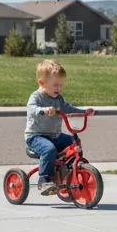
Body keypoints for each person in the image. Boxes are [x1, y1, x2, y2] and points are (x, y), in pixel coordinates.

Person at [25, 59, 94, 195]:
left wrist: (84, 112)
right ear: (42, 83)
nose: (59, 88)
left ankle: (70, 171)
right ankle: (44, 180)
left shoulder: (58, 99)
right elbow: (31, 109)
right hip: (36, 136)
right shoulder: (36, 97)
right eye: (55, 85)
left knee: (73, 143)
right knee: (49, 149)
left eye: (61, 85)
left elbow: (68, 108)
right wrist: (43, 110)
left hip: (55, 136)